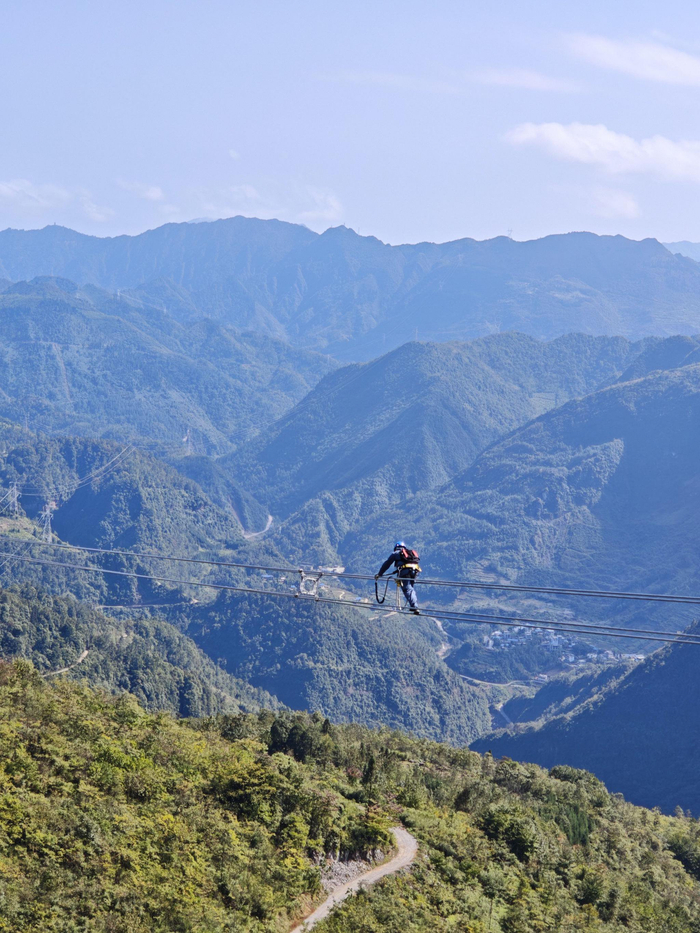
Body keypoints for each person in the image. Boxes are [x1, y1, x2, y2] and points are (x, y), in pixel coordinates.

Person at [375, 541, 421, 614]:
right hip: (415, 571)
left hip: (405, 572)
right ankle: (414, 605)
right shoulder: (409, 554)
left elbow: (386, 564)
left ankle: (414, 606)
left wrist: (379, 574)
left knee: (407, 589)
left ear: (396, 547)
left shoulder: (396, 553)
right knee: (411, 589)